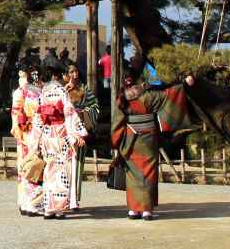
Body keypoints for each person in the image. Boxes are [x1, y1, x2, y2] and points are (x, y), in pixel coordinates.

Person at [113, 70, 199, 220]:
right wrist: (184, 83)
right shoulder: (150, 95)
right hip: (148, 139)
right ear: (139, 81)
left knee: (133, 174)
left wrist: (116, 141)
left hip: (130, 139)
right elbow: (170, 94)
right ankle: (146, 210)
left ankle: (133, 210)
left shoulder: (121, 98)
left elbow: (117, 122)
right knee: (148, 173)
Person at [35, 69, 88, 219]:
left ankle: (47, 207)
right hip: (60, 133)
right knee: (62, 170)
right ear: (57, 76)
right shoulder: (60, 90)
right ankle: (58, 209)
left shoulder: (43, 91)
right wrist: (76, 134)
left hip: (47, 133)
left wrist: (36, 139)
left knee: (48, 170)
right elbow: (69, 113)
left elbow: (38, 116)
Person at [63, 65, 99, 210]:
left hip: (79, 129)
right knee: (63, 166)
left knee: (77, 164)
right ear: (66, 74)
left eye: (76, 71)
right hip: (65, 130)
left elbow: (95, 106)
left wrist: (83, 112)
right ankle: (63, 197)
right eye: (71, 72)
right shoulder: (62, 89)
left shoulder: (84, 88)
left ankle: (74, 199)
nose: (74, 74)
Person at [11, 68, 44, 216]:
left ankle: (24, 202)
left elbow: (16, 113)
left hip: (26, 132)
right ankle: (31, 203)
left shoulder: (23, 91)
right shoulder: (28, 92)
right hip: (30, 132)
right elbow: (19, 114)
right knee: (32, 167)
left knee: (26, 167)